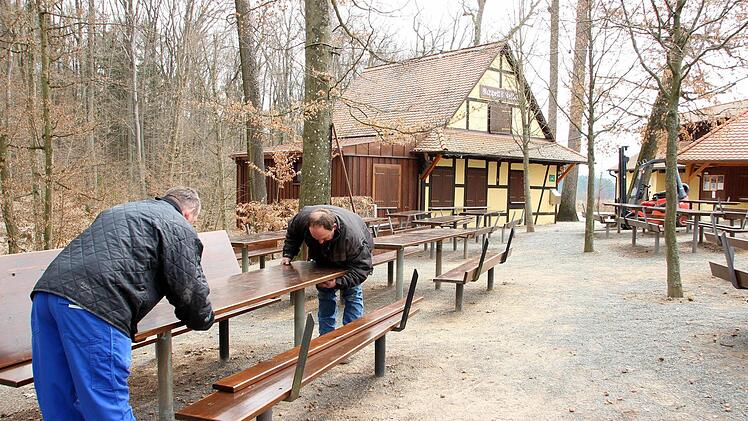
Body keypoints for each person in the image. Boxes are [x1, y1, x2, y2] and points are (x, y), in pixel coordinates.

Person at [30, 186, 215, 421]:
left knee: (58, 400)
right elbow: (189, 287)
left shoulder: (123, 210)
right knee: (106, 402)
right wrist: (204, 319)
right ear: (188, 214)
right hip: (95, 305)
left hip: (46, 296)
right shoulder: (178, 226)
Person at [281, 205, 373, 335]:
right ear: (308, 227)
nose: (320, 242)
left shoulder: (353, 238)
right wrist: (288, 254)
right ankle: (326, 336)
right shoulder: (302, 219)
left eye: (324, 238)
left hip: (351, 261)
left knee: (352, 294)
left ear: (334, 227)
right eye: (316, 238)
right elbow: (293, 234)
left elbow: (362, 269)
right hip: (323, 259)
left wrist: (338, 282)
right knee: (325, 295)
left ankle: (353, 335)